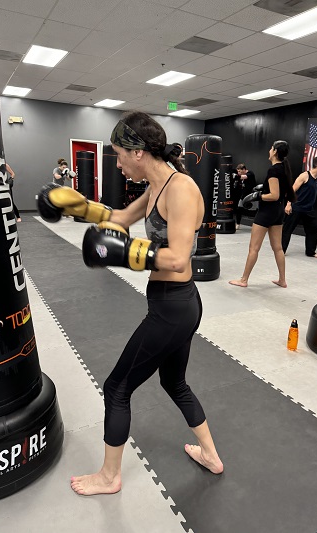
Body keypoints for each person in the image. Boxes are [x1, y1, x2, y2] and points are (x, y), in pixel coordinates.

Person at [61, 111, 224, 495]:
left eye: (119, 155)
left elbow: (179, 258)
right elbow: (119, 218)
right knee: (173, 381)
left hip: (173, 309)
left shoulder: (180, 189)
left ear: (138, 152)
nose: (118, 165)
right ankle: (211, 456)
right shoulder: (156, 187)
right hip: (175, 305)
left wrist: (124, 252)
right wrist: (80, 208)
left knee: (116, 387)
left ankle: (109, 477)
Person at [229, 140, 295, 288]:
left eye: (271, 148)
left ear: (275, 151)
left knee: (254, 248)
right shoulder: (283, 168)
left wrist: (258, 196)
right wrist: (263, 188)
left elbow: (274, 195)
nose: (269, 151)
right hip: (278, 211)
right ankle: (282, 280)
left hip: (267, 212)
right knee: (278, 247)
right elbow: (280, 193)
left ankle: (244, 280)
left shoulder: (273, 170)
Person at [281, 156, 317, 258]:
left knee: (313, 229)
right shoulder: (304, 176)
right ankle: (281, 250)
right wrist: (288, 204)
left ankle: (310, 251)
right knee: (287, 229)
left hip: (308, 209)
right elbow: (292, 190)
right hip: (297, 207)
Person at [233, 163, 256, 230]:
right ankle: (238, 224)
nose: (239, 172)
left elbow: (244, 177)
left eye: (240, 171)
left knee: (254, 210)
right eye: (238, 171)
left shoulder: (250, 173)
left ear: (244, 169)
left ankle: (256, 224)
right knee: (239, 208)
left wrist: (235, 176)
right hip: (244, 195)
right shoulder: (241, 177)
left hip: (252, 195)